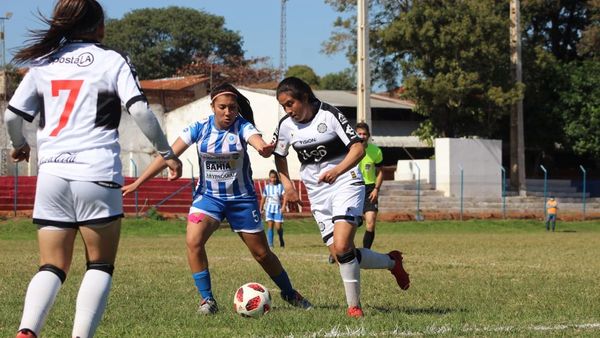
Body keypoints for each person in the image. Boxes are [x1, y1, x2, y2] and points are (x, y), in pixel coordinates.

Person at [4, 1, 183, 337]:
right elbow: (142, 112)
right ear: (98, 27)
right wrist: (166, 152)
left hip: (53, 175)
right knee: (99, 265)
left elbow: (12, 116)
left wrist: (18, 145)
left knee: (52, 265)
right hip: (97, 173)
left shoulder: (43, 63)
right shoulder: (111, 60)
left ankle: (27, 330)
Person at [122, 83, 311, 315]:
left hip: (241, 199)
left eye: (232, 107)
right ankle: (207, 300)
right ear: (212, 106)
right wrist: (139, 182)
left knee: (262, 253)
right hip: (209, 198)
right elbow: (168, 155)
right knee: (193, 241)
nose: (228, 112)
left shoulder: (243, 126)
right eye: (222, 107)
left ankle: (289, 292)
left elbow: (257, 141)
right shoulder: (199, 128)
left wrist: (263, 148)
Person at [272, 77, 410, 318]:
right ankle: (391, 262)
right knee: (340, 254)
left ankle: (354, 307)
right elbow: (279, 155)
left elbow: (358, 148)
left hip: (345, 182)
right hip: (317, 192)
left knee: (344, 245)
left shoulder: (329, 114)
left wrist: (337, 170)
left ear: (304, 97)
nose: (287, 110)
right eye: (283, 106)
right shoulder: (286, 125)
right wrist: (288, 185)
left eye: (290, 103)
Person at [355, 122, 384, 249]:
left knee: (371, 222)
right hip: (353, 188)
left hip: (369, 189)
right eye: (359, 134)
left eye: (364, 134)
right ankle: (339, 249)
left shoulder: (375, 151)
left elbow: (381, 172)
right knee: (348, 223)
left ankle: (366, 252)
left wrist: (376, 189)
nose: (362, 136)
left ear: (368, 136)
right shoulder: (347, 150)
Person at [259, 169, 287, 248]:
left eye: (274, 177)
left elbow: (285, 196)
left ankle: (281, 239)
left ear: (276, 178)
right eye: (271, 177)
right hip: (269, 209)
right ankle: (270, 245)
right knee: (270, 226)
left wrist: (284, 206)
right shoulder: (267, 187)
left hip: (278, 209)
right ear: (269, 178)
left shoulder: (280, 186)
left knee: (278, 227)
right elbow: (263, 198)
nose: (273, 179)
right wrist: (260, 208)